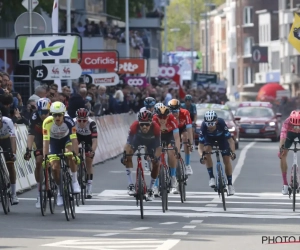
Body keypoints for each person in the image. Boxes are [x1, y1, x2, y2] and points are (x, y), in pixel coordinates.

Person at [42, 101, 81, 206]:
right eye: (55, 115)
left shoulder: (69, 122)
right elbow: (45, 142)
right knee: (54, 167)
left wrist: (76, 155)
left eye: (59, 115)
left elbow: (74, 140)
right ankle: (60, 192)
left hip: (66, 139)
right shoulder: (46, 123)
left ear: (64, 114)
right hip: (54, 141)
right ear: (51, 115)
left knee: (70, 155)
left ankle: (74, 180)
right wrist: (45, 158)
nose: (57, 117)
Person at [122, 110, 161, 201]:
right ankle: (131, 184)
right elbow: (128, 144)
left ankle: (151, 189)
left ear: (151, 122)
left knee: (156, 164)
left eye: (147, 124)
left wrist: (155, 157)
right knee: (128, 155)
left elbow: (158, 148)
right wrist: (125, 155)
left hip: (152, 143)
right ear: (138, 123)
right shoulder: (134, 127)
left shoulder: (156, 127)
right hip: (137, 141)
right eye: (142, 124)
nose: (144, 126)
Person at [198, 110, 236, 196]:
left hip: (221, 138)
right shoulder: (203, 126)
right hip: (209, 139)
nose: (210, 126)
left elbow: (231, 141)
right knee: (206, 150)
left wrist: (232, 153)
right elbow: (200, 146)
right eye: (208, 124)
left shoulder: (221, 123)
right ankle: (211, 177)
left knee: (226, 159)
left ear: (216, 121)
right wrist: (201, 156)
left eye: (212, 123)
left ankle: (230, 184)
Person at [24, 98, 51, 208]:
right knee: (39, 161)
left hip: (53, 137)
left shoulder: (55, 115)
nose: (43, 115)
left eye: (45, 112)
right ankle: (39, 191)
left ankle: (58, 187)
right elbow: (31, 134)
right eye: (41, 112)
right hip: (40, 138)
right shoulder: (35, 117)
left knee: (55, 162)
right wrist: (28, 150)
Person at [153, 104, 181, 195]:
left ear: (168, 116)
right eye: (160, 117)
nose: (162, 119)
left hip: (169, 136)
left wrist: (177, 150)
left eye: (164, 117)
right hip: (157, 137)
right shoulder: (153, 120)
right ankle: (155, 185)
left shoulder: (172, 119)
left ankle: (173, 178)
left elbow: (176, 137)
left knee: (171, 152)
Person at [73, 108, 98, 199]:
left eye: (84, 120)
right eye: (79, 120)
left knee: (89, 161)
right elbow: (70, 140)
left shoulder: (92, 123)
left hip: (88, 139)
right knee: (74, 156)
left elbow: (95, 141)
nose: (82, 123)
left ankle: (89, 186)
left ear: (87, 119)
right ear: (76, 119)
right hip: (77, 137)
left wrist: (92, 151)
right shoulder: (73, 122)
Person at [168, 99, 194, 175]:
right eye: (172, 112)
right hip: (172, 130)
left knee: (186, 138)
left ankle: (187, 165)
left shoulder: (185, 113)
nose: (174, 113)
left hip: (182, 128)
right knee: (172, 148)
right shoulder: (168, 115)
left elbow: (189, 129)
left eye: (176, 111)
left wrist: (191, 143)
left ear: (179, 109)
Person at [278, 110, 300, 195]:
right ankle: (285, 184)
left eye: (298, 126)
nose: (297, 128)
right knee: (282, 154)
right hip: (289, 135)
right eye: (295, 126)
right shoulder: (287, 122)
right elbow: (283, 137)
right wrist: (281, 149)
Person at [0, 110, 18, 204]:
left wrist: (13, 153)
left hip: (7, 140)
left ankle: (14, 194)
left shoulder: (7, 121)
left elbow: (12, 138)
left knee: (10, 165)